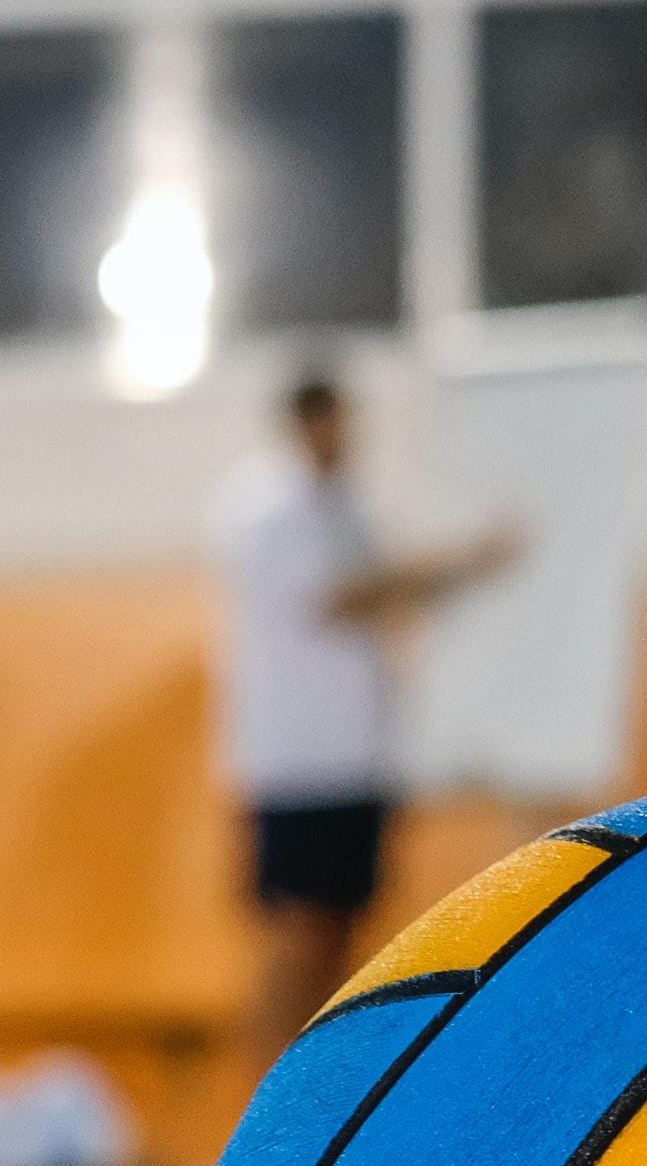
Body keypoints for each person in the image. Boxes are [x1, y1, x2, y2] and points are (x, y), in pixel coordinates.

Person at [211, 366, 522, 1079]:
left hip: (357, 758)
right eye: (329, 422)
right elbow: (343, 599)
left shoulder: (354, 510)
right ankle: (260, 1103)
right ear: (301, 423)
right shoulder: (266, 511)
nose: (341, 436)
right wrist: (465, 562)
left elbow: (386, 597)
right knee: (298, 934)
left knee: (344, 937)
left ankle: (312, 1089)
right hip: (296, 761)